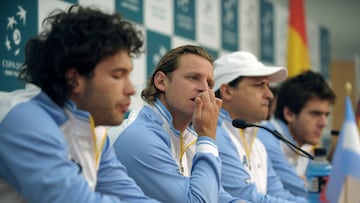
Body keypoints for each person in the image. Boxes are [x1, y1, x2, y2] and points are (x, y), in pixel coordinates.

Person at [0, 5, 160, 203]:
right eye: (118, 75)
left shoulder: (93, 128)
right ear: (74, 80)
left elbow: (130, 197)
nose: (131, 89)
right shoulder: (25, 119)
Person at [111, 45, 245, 203]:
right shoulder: (140, 136)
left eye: (209, 84)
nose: (204, 89)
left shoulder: (190, 137)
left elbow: (219, 197)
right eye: (193, 77)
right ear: (161, 82)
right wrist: (207, 136)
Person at [213, 51, 308, 203]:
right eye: (259, 85)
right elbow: (246, 197)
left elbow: (279, 194)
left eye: (268, 86)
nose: (269, 95)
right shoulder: (214, 135)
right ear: (227, 91)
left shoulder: (257, 143)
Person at [258, 70, 336, 198]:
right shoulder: (265, 137)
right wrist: (306, 184)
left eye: (326, 115)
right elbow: (310, 194)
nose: (324, 123)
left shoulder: (305, 148)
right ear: (289, 114)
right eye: (315, 114)